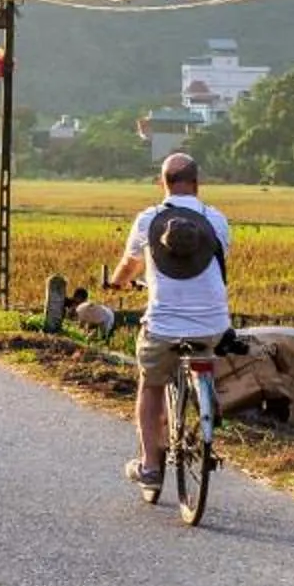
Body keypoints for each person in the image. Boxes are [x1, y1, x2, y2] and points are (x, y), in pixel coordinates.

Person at [105, 152, 234, 498]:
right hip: (212, 323)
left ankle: (150, 466)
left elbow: (129, 265)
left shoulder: (149, 219)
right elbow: (218, 261)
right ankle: (207, 399)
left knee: (150, 385)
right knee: (205, 352)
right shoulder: (216, 220)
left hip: (163, 326)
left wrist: (117, 283)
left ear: (162, 183)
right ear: (197, 183)